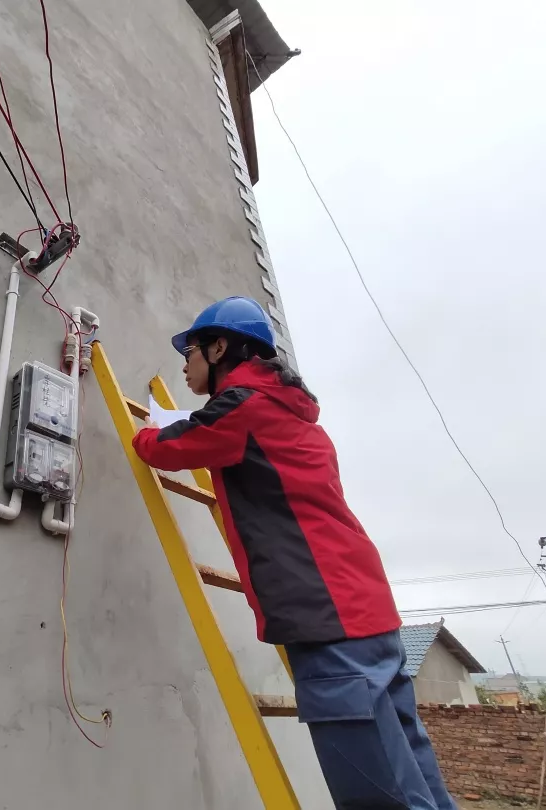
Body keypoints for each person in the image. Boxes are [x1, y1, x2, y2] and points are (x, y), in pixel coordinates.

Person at [132, 296, 457, 810]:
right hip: (366, 612)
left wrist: (146, 429)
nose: (184, 363)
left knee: (377, 795)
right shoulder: (292, 413)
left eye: (190, 350)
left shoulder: (242, 405)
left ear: (220, 347)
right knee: (411, 770)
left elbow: (165, 447)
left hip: (326, 617)